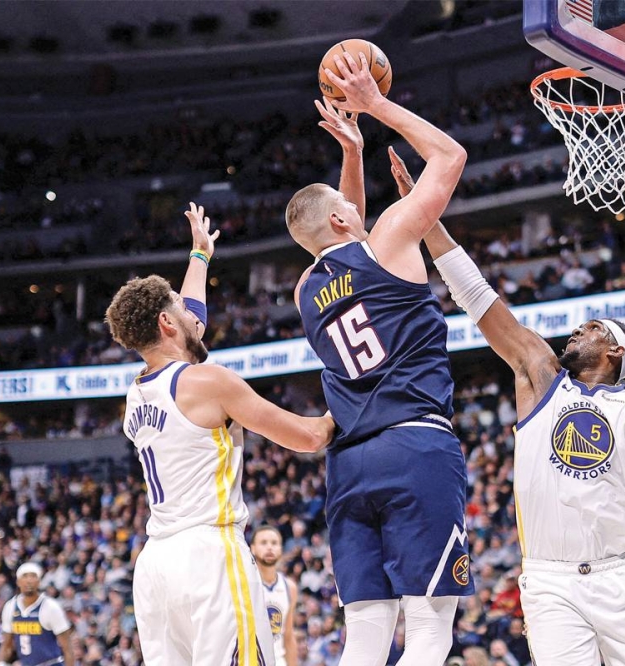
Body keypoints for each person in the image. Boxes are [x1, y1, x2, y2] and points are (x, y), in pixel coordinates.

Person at [388, 151, 625, 665]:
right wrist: (425, 218)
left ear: (615, 350)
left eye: (592, 328)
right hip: (550, 579)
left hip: (621, 575)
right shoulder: (541, 375)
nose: (578, 330)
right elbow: (477, 297)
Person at [284, 51, 469, 666]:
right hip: (415, 445)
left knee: (365, 634)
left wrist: (353, 155)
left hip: (350, 465)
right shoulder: (388, 240)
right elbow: (450, 157)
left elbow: (346, 237)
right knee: (430, 627)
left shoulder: (304, 290)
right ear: (343, 217)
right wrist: (377, 106)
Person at [105, 203, 335, 666]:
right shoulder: (210, 382)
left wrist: (200, 256)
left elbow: (191, 323)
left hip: (156, 566)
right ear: (167, 323)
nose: (194, 316)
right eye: (179, 309)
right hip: (210, 554)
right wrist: (352, 399)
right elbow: (309, 438)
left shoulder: (138, 391)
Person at [0, 562, 74, 666]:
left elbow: (68, 648)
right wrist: (1, 663)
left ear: (39, 582)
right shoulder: (10, 607)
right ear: (18, 582)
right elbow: (6, 645)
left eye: (33, 576)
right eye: (25, 576)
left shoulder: (51, 607)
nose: (29, 580)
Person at [251, 525, 299, 666]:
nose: (269, 547)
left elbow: (288, 636)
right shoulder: (245, 584)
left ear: (281, 549)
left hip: (279, 661)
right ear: (252, 548)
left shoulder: (289, 587)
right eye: (263, 543)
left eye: (274, 543)